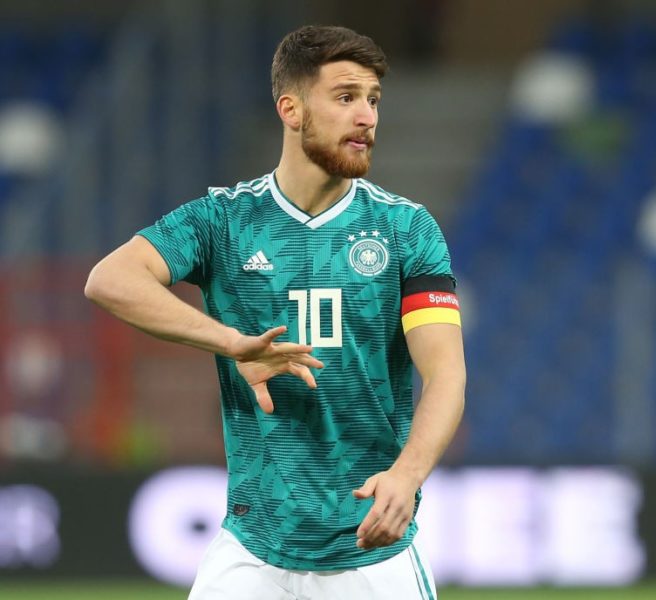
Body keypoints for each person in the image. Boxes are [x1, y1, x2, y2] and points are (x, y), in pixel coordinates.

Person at [84, 24, 465, 600]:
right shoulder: (223, 221)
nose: (367, 116)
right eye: (345, 97)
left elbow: (446, 373)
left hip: (370, 549)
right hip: (252, 550)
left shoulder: (406, 230)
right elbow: (110, 279)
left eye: (373, 100)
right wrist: (230, 342)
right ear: (291, 108)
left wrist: (407, 477)